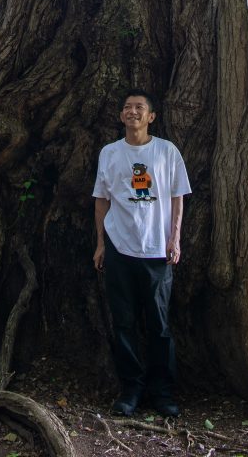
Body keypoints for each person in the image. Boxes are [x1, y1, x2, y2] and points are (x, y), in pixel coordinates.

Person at [93, 90, 191, 418]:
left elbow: (178, 196)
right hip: (120, 249)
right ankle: (131, 388)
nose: (132, 112)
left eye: (139, 108)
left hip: (156, 251)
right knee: (123, 323)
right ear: (121, 116)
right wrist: (101, 243)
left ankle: (162, 391)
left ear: (151, 116)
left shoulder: (166, 152)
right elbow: (101, 200)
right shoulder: (109, 153)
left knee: (159, 325)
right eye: (127, 107)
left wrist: (174, 239)